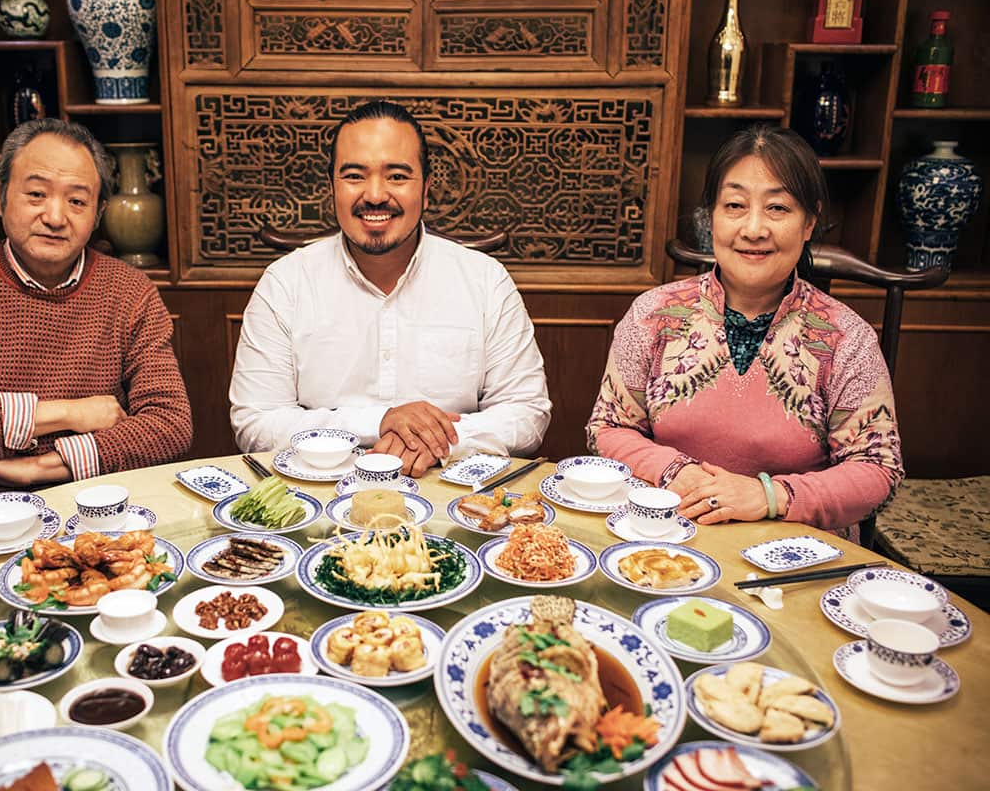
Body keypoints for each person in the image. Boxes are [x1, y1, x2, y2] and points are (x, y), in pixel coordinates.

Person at [587, 125, 902, 541]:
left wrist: (769, 495)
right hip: (664, 539)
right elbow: (607, 427)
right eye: (735, 205)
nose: (753, 229)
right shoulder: (654, 314)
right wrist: (676, 472)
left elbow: (878, 468)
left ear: (810, 222)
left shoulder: (846, 337)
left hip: (792, 552)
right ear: (711, 218)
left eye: (777, 208)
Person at [0, 119, 194, 523]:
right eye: (36, 194)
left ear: (99, 212)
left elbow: (170, 424)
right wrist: (69, 413)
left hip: (98, 510)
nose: (55, 216)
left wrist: (44, 465)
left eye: (77, 201)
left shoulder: (130, 291)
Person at [229, 100, 551, 477]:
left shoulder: (485, 281)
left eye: (397, 176)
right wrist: (379, 421)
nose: (376, 194)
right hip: (317, 494)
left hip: (451, 491)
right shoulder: (285, 283)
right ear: (332, 186)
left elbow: (528, 413)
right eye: (354, 176)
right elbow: (255, 421)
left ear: (426, 189)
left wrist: (435, 439)